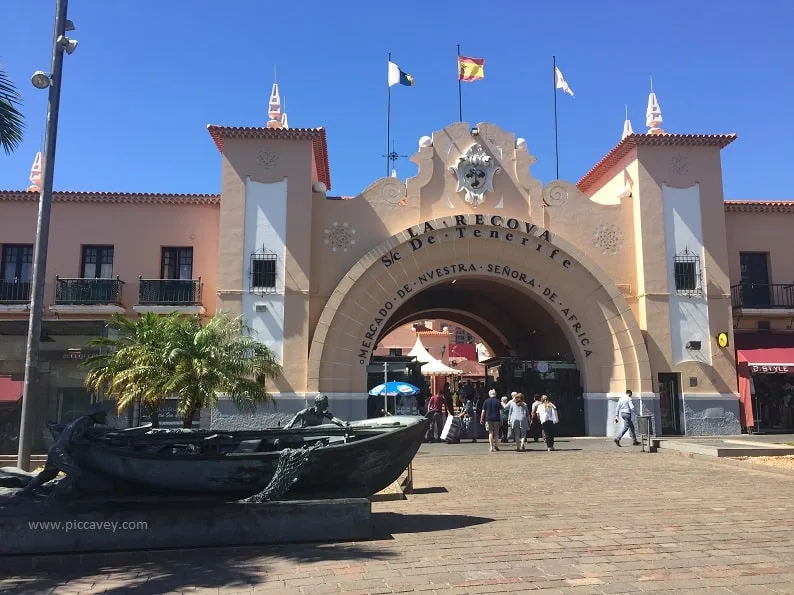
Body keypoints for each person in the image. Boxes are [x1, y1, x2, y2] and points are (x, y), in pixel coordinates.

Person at [20, 400, 115, 498]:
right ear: (96, 415)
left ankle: (26, 491)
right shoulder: (84, 422)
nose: (105, 417)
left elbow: (64, 429)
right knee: (75, 473)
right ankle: (53, 497)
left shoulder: (83, 421)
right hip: (60, 451)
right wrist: (92, 443)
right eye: (103, 414)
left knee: (48, 474)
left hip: (56, 450)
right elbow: (75, 439)